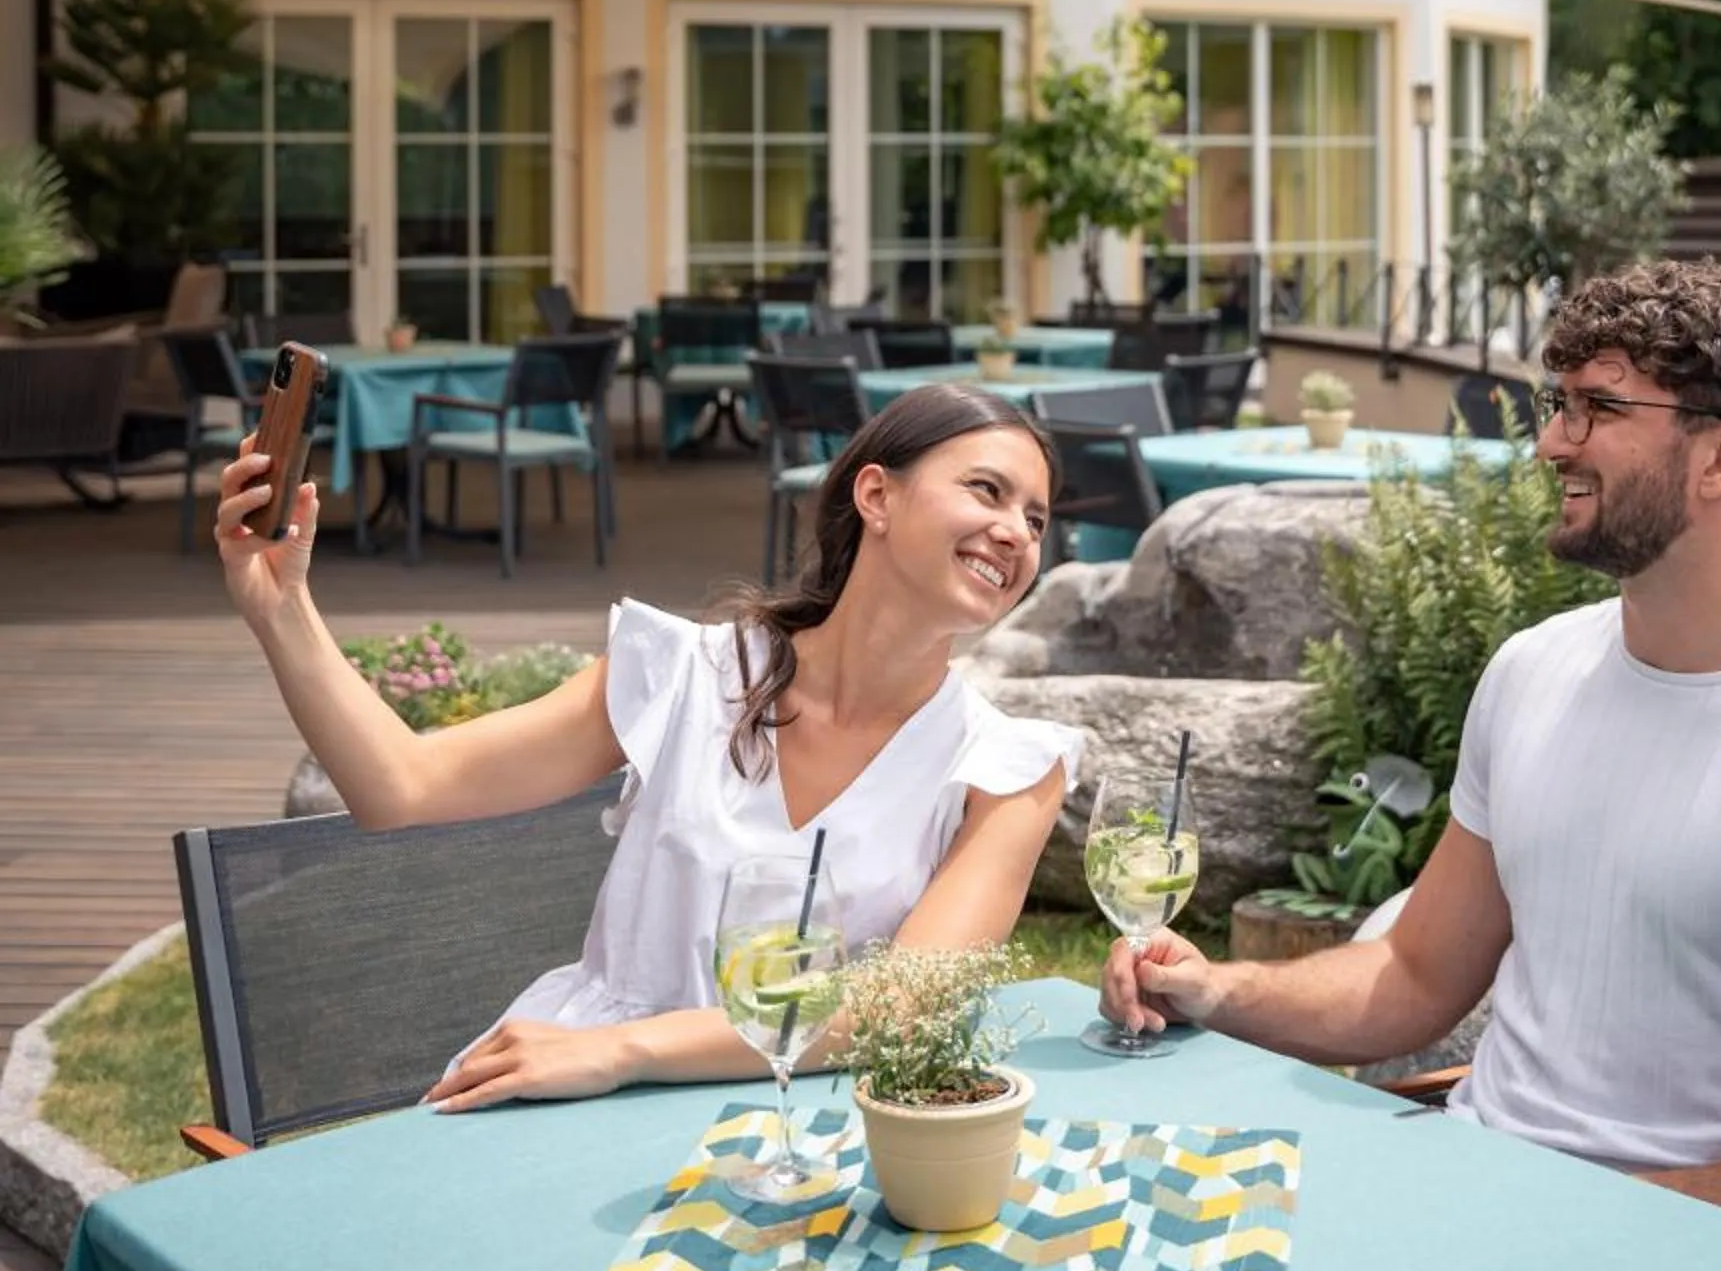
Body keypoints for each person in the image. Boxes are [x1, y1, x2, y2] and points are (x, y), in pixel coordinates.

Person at [1102, 258, 1721, 1255]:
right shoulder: (1532, 671)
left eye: (1593, 409)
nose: (1548, 444)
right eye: (1554, 405)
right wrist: (1215, 991)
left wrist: (1587, 1222)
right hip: (1476, 1199)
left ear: (1720, 458)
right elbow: (1411, 970)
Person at [216, 381, 1081, 1112]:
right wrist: (280, 611)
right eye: (988, 491)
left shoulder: (1008, 772)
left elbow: (899, 1007)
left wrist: (632, 1050)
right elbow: (402, 785)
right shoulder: (682, 676)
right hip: (576, 1091)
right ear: (877, 497)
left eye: (1037, 520)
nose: (1017, 533)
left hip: (801, 1122)